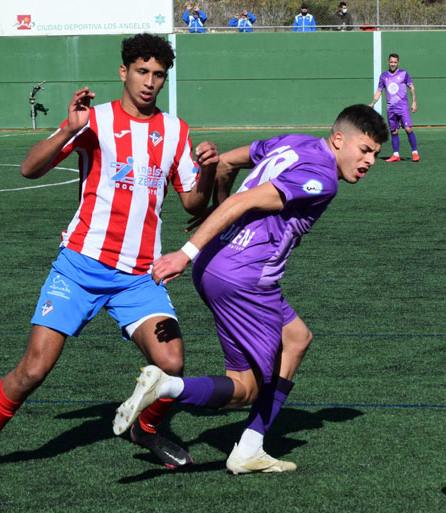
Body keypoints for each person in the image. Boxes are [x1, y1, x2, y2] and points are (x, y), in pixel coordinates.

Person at [0, 33, 219, 476]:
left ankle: (145, 429)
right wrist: (70, 128)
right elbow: (29, 169)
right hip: (80, 268)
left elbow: (193, 204)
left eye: (159, 75)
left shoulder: (176, 130)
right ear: (123, 72)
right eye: (142, 72)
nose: (150, 82)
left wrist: (206, 169)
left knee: (171, 363)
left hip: (138, 277)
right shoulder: (95, 120)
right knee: (33, 370)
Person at [112, 104, 389, 474]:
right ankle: (168, 388)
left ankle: (250, 447)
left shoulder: (294, 142)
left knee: (297, 338)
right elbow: (244, 200)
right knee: (246, 390)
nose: (370, 160)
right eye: (365, 149)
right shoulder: (323, 178)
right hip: (245, 278)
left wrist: (218, 211)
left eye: (376, 154)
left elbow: (225, 163)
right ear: (339, 140)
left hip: (219, 264)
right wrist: (184, 253)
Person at [369, 53, 419, 163]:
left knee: (408, 129)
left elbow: (411, 87)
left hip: (403, 107)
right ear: (388, 62)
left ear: (398, 63)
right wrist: (373, 103)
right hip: (391, 108)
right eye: (391, 62)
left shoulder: (404, 74)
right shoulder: (383, 76)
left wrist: (414, 102)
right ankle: (396, 154)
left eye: (395, 62)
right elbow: (379, 91)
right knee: (394, 131)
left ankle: (415, 152)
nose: (393, 64)